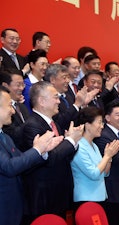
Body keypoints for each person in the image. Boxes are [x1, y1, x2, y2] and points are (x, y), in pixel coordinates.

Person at [20, 81, 83, 224]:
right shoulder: (32, 126)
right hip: (43, 195)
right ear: (42, 101)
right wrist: (70, 141)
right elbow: (49, 159)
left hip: (58, 191)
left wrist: (73, 142)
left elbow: (65, 156)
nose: (58, 101)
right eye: (55, 97)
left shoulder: (54, 123)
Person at [0, 86, 62, 225]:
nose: (13, 110)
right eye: (10, 105)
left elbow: (23, 164)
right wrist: (37, 149)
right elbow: (9, 167)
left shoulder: (5, 137)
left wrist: (43, 151)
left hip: (15, 207)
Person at [71, 107, 119, 208]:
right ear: (87, 125)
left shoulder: (94, 145)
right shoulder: (78, 146)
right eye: (99, 122)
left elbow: (105, 173)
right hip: (86, 199)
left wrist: (109, 157)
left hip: (100, 197)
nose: (102, 126)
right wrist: (107, 156)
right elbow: (94, 174)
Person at [0, 70, 30, 148]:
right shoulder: (4, 110)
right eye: (18, 85)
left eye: (23, 84)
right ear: (5, 85)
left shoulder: (22, 107)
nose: (21, 88)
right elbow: (11, 134)